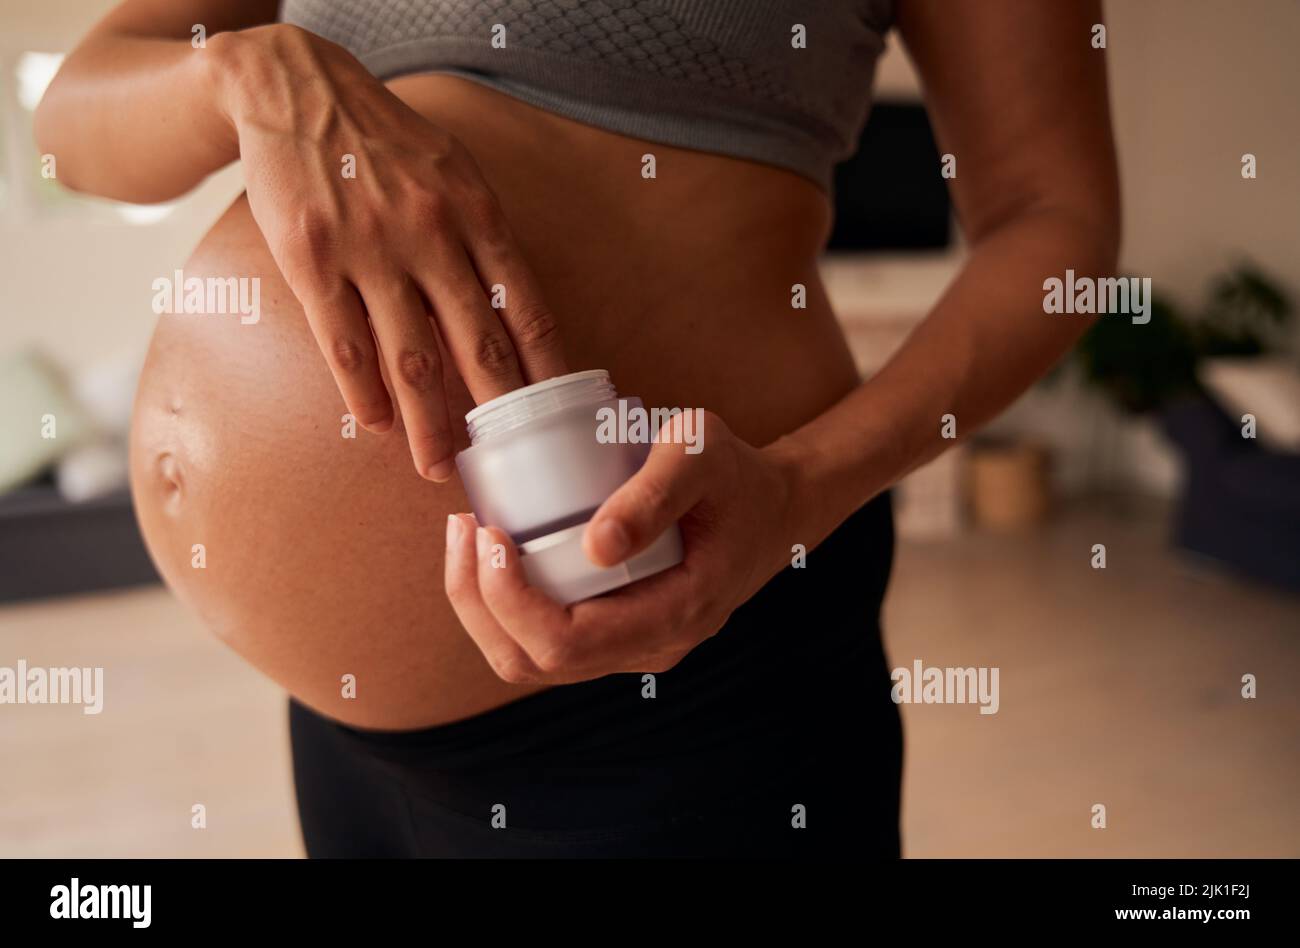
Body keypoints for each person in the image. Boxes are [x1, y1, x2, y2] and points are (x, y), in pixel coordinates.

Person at [37, 0, 1119, 857]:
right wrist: (240, 74)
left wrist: (800, 489)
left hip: (678, 663)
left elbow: (1054, 220)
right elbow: (72, 126)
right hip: (344, 727)